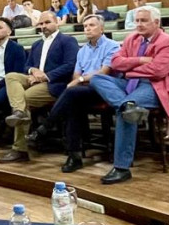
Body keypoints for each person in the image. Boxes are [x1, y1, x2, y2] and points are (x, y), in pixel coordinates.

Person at [91, 6, 169, 185]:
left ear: (156, 22)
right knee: (97, 79)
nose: (139, 24)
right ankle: (128, 105)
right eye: (137, 21)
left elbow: (158, 71)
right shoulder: (131, 39)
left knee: (125, 113)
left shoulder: (168, 41)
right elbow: (116, 62)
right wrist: (140, 61)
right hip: (130, 85)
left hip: (155, 87)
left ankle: (121, 168)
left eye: (144, 21)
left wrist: (130, 70)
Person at [27, 15, 121, 172]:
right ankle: (74, 156)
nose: (87, 29)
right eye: (85, 26)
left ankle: (47, 126)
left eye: (91, 25)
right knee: (72, 104)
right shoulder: (82, 50)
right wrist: (78, 81)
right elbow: (75, 75)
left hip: (105, 90)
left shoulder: (112, 46)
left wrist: (80, 80)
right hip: (84, 90)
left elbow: (104, 73)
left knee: (71, 94)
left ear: (102, 29)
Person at [0, 12, 80, 163]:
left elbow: (70, 65)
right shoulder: (37, 44)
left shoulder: (67, 41)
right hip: (34, 80)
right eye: (41, 24)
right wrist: (32, 71)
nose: (43, 26)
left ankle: (19, 149)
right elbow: (27, 65)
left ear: (56, 22)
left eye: (47, 22)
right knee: (11, 77)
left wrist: (46, 75)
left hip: (55, 83)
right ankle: (18, 112)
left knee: (24, 99)